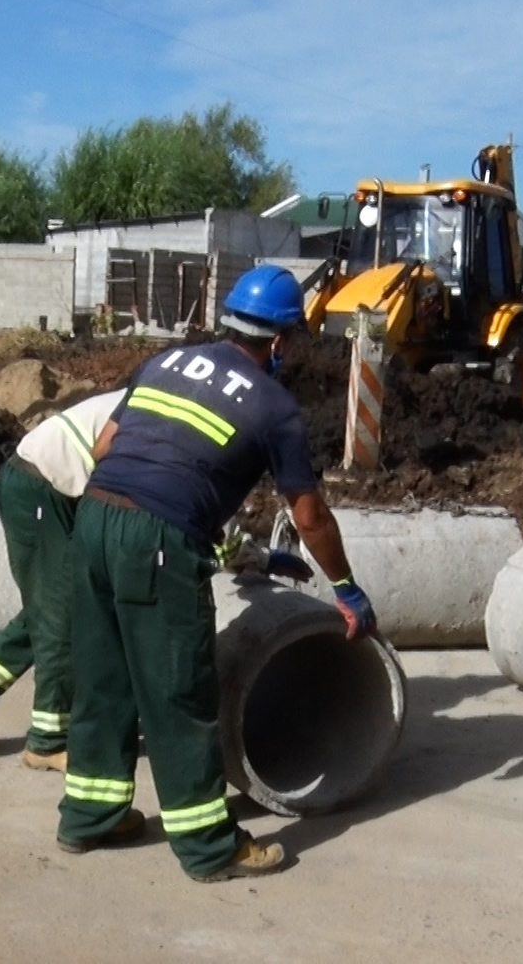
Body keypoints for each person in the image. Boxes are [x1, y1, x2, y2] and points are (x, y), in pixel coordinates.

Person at [56, 265, 377, 882]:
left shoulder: (165, 364)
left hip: (93, 519)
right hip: (157, 538)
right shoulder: (273, 405)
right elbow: (308, 516)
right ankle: (209, 845)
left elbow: (105, 447)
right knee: (180, 689)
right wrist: (344, 586)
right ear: (281, 341)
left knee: (103, 675)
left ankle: (88, 816)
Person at [0, 389, 127, 772]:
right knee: (62, 614)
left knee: (56, 605)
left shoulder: (161, 394)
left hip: (50, 486)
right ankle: (48, 743)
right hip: (40, 487)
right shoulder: (158, 408)